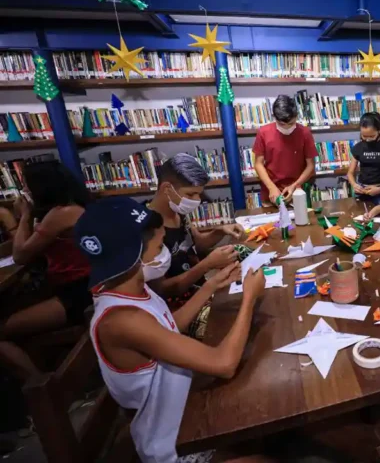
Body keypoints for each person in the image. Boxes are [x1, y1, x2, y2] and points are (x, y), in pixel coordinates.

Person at [75, 197, 260, 462]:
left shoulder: (128, 290)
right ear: (132, 256)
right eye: (160, 246)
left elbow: (168, 327)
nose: (165, 254)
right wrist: (249, 299)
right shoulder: (122, 320)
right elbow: (224, 363)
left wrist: (210, 286)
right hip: (177, 446)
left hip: (186, 416)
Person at [0, 161, 91, 381]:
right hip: (82, 287)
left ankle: (45, 391)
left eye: (27, 187)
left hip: (77, 294)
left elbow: (21, 254)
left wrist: (21, 216)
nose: (26, 193)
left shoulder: (60, 214)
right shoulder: (75, 206)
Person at [146, 154, 243, 315]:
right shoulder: (149, 228)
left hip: (201, 292)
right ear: (166, 189)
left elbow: (196, 244)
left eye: (199, 194)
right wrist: (207, 265)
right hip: (178, 309)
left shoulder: (178, 212)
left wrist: (220, 231)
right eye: (191, 194)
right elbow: (161, 289)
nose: (197, 200)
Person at [253, 95, 318, 205]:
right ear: (275, 118)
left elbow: (310, 165)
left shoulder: (305, 133)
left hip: (298, 192)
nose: (287, 127)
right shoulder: (263, 133)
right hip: (271, 193)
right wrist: (271, 187)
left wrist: (295, 186)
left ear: (296, 116)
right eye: (282, 124)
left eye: (291, 123)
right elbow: (258, 164)